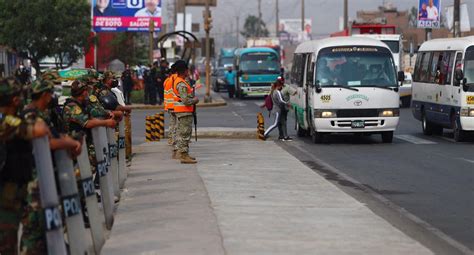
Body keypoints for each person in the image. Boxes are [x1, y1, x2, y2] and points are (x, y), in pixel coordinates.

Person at [0, 77, 49, 254]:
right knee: (6, 246)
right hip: (6, 196)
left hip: (15, 191)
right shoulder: (5, 121)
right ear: (14, 100)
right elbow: (39, 130)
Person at [172, 60, 199, 164]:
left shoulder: (181, 81)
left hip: (184, 112)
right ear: (184, 71)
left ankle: (185, 154)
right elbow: (186, 101)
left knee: (185, 133)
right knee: (184, 134)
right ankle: (183, 155)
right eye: (187, 70)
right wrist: (195, 100)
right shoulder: (181, 84)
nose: (188, 71)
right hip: (184, 112)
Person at [164, 64, 178, 148]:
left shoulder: (166, 81)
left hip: (169, 106)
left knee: (172, 124)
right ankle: (174, 140)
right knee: (177, 124)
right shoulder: (176, 79)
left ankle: (170, 139)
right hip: (176, 106)